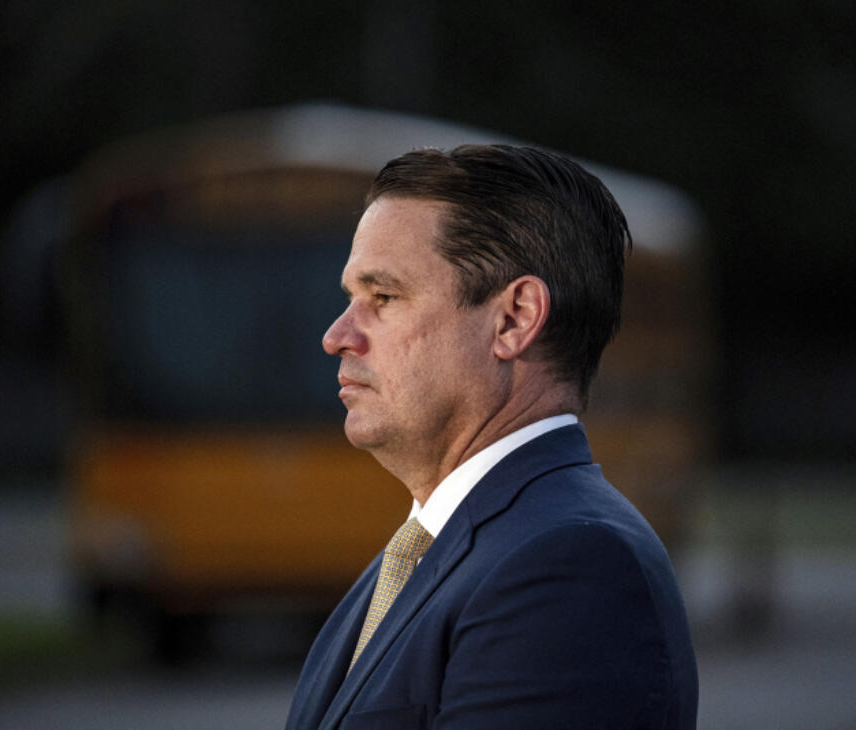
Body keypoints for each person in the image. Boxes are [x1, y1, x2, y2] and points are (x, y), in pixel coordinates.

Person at [284, 144, 698, 729]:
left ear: (514, 318)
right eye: (350, 298)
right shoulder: (434, 548)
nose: (337, 336)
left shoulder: (570, 567)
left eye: (384, 297)